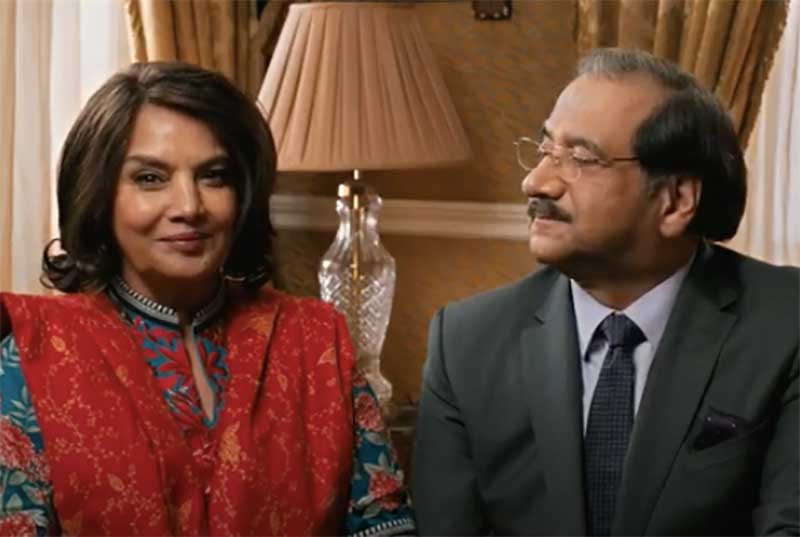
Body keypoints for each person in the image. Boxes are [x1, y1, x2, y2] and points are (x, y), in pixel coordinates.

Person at [0, 62, 415, 536]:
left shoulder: (316, 341)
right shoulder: (33, 352)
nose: (189, 207)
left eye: (214, 176)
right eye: (150, 178)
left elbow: (384, 524)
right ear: (98, 193)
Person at [412, 48, 798, 535]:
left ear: (675, 200)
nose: (536, 182)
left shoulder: (785, 323)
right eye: (545, 151)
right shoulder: (465, 343)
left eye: (580, 158)